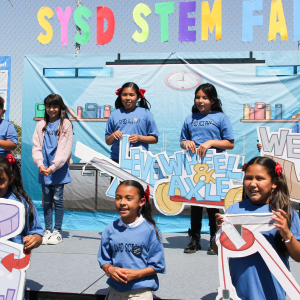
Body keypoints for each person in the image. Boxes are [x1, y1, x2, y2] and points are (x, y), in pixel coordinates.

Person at [214, 156, 300, 300]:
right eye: (248, 178)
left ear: (274, 183)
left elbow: (297, 256)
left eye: (260, 178)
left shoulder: (285, 212)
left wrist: (286, 233)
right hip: (239, 292)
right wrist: (220, 234)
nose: (253, 183)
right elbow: (220, 251)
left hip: (272, 293)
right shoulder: (234, 211)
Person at [179, 83, 234, 255]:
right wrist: (185, 143)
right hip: (195, 168)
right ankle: (194, 239)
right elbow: (182, 141)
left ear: (213, 100)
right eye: (198, 97)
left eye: (205, 98)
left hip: (214, 168)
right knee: (195, 204)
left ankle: (214, 239)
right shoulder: (190, 118)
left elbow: (230, 143)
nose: (201, 101)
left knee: (212, 205)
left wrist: (210, 143)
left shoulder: (221, 118)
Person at [98, 180, 166, 300]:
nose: (122, 203)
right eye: (118, 198)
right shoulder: (110, 229)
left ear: (141, 202)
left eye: (129, 198)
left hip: (140, 294)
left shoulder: (150, 231)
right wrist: (110, 269)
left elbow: (157, 265)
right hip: (114, 292)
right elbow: (104, 260)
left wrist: (136, 274)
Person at [32, 94, 73, 245]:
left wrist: (53, 167)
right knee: (47, 200)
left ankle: (57, 231)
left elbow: (65, 149)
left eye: (55, 106)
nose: (52, 109)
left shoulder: (66, 124)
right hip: (44, 169)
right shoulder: (40, 125)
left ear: (60, 108)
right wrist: (41, 164)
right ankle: (47, 230)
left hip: (59, 168)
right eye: (49, 106)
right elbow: (36, 147)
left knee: (58, 199)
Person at [1, 154, 43, 299]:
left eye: (1, 181)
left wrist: (34, 239)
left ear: (10, 179)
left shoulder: (22, 204)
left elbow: (37, 233)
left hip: (11, 273)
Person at [105, 82, 159, 164]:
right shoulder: (114, 114)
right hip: (117, 159)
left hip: (139, 159)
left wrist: (139, 138)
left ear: (138, 97)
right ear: (120, 96)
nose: (127, 98)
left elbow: (154, 139)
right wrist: (113, 135)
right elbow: (108, 141)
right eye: (124, 95)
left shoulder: (145, 113)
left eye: (131, 95)